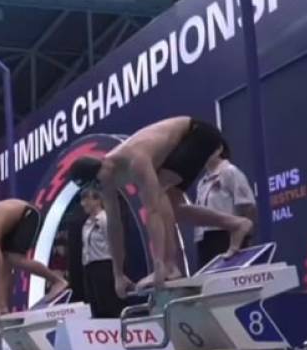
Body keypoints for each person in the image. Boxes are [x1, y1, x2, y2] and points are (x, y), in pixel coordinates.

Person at [67, 117, 253, 293]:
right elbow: (114, 226)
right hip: (178, 147)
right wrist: (118, 274)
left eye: (97, 182)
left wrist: (158, 264)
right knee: (174, 209)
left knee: (159, 191)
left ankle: (170, 266)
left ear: (103, 165)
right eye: (93, 186)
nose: (99, 188)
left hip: (198, 134)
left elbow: (153, 211)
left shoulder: (135, 160)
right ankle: (237, 224)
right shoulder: (105, 181)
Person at [0, 199, 69, 320]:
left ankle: (58, 281)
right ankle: (4, 308)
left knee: (12, 258)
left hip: (27, 214)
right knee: (5, 261)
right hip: (8, 224)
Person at [194, 141, 257, 269]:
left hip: (226, 237)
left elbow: (248, 206)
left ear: (219, 149)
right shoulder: (202, 182)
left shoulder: (230, 172)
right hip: (204, 239)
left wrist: (243, 237)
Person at [79, 188, 123, 318]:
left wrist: (118, 271)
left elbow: (115, 244)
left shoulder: (105, 219)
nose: (83, 203)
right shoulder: (86, 223)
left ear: (97, 200)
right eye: (82, 200)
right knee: (95, 307)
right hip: (89, 268)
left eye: (87, 199)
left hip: (104, 266)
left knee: (108, 305)